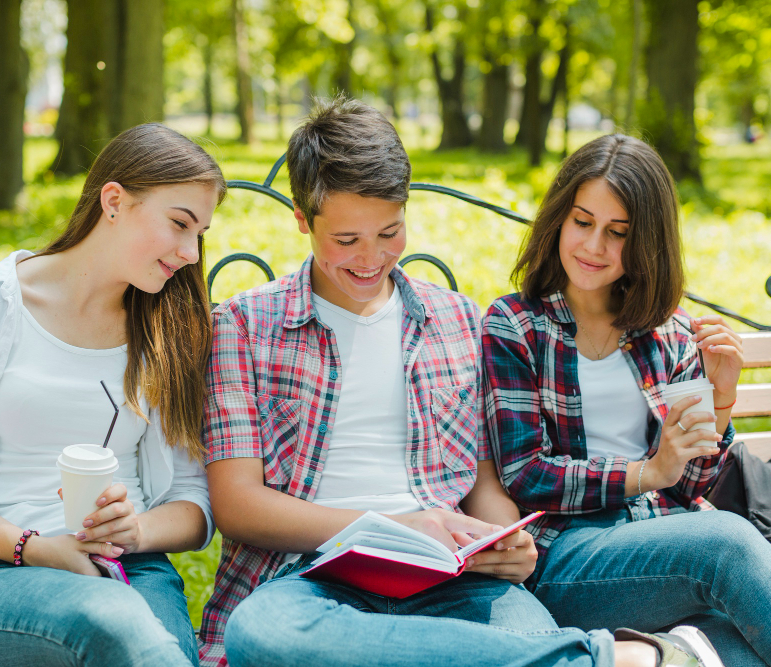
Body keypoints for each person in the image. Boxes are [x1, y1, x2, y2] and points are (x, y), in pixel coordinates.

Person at [197, 97, 717, 667]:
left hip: (453, 576)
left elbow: (482, 480)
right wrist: (391, 527)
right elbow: (238, 505)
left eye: (390, 232)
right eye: (347, 240)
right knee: (262, 632)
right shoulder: (246, 326)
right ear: (302, 219)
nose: (371, 258)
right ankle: (603, 661)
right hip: (309, 576)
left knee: (525, 631)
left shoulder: (456, 321)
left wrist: (506, 540)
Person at [482, 133, 771, 667]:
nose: (594, 246)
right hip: (567, 558)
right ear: (560, 218)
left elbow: (691, 482)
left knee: (741, 648)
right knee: (728, 542)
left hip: (666, 547)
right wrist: (646, 472)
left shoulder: (666, 331)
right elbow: (525, 474)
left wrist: (720, 403)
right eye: (583, 222)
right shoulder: (515, 326)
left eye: (618, 233)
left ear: (647, 240)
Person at [0, 124, 224, 666]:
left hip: (130, 565)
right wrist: (37, 547)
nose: (191, 253)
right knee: (126, 634)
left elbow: (195, 499)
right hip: (1, 571)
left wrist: (138, 529)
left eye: (200, 234)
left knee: (152, 647)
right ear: (114, 201)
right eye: (178, 225)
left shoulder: (170, 328)